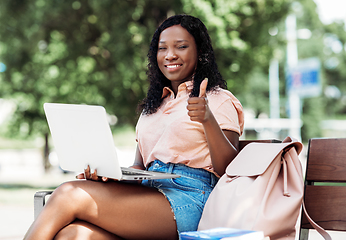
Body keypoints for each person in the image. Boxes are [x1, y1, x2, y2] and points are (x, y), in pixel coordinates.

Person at [24, 14, 244, 240]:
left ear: (200, 53)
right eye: (162, 48)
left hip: (191, 200)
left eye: (181, 46)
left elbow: (229, 169)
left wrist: (207, 118)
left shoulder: (218, 99)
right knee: (73, 234)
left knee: (68, 193)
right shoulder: (155, 105)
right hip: (148, 193)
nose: (170, 55)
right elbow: (140, 166)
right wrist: (111, 177)